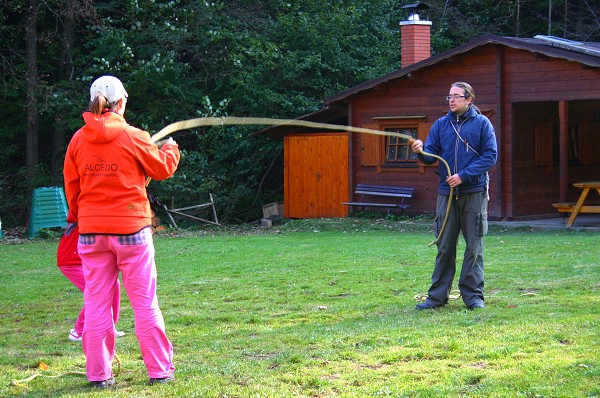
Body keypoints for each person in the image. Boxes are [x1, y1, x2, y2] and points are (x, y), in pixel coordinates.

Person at [63, 75, 181, 388]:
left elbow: (72, 189)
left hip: (90, 232)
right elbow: (162, 168)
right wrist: (171, 149)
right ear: (122, 102)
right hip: (132, 231)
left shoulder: (77, 140)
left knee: (97, 304)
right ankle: (159, 372)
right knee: (144, 303)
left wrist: (80, 217)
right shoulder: (135, 136)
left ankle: (99, 376)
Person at [411, 82, 497, 311]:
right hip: (446, 194)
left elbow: (490, 156)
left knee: (474, 247)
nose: (451, 100)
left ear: (469, 99)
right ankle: (437, 298)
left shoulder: (482, 124)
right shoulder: (441, 125)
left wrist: (464, 176)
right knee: (445, 247)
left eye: (456, 96)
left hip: (474, 192)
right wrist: (420, 151)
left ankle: (473, 297)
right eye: (449, 96)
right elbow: (431, 156)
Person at [57, 211, 125, 343]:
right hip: (70, 262)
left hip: (84, 261)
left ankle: (110, 327)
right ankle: (78, 331)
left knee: (113, 285)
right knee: (98, 291)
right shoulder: (84, 210)